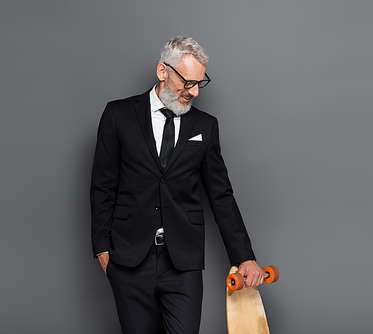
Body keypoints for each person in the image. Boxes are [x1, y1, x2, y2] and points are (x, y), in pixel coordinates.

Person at [90, 35, 263, 334]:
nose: (194, 92)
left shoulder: (205, 126)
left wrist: (244, 257)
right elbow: (103, 185)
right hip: (130, 259)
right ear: (162, 72)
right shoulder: (118, 116)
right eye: (187, 82)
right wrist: (102, 248)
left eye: (199, 83)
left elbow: (221, 195)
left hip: (182, 262)